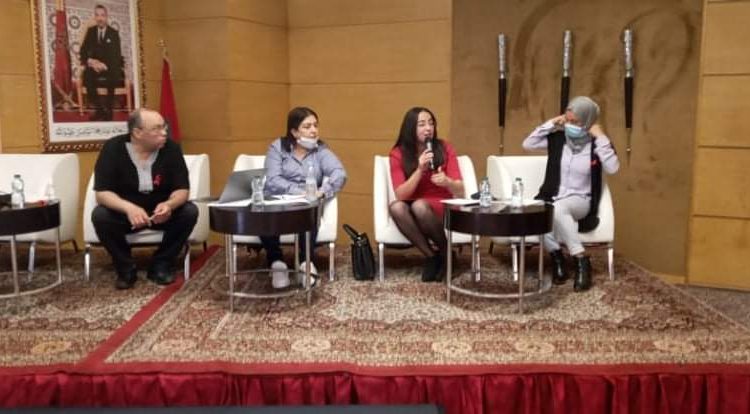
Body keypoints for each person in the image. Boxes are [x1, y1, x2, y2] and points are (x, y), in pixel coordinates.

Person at [92, 108, 198, 290]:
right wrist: (129, 208)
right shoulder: (113, 148)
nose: (164, 133)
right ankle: (125, 267)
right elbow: (102, 193)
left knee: (189, 211)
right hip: (126, 213)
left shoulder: (171, 149)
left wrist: (169, 205)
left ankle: (161, 263)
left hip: (161, 212)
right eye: (157, 129)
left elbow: (182, 189)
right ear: (137, 133)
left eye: (164, 127)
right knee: (101, 216)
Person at [522, 96, 620, 292]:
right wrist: (551, 123)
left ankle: (580, 258)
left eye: (575, 122)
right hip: (553, 195)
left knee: (556, 209)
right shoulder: (558, 139)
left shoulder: (597, 145)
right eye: (568, 120)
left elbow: (613, 167)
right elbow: (528, 144)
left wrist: (601, 136)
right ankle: (557, 259)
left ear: (588, 122)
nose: (570, 125)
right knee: (537, 214)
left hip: (580, 200)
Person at [261, 107, 347, 289]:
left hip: (306, 204)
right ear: (294, 132)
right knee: (263, 212)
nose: (313, 130)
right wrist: (301, 191)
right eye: (307, 126)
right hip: (278, 201)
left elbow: (339, 173)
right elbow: (273, 180)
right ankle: (277, 262)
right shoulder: (278, 147)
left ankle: (306, 262)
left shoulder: (320, 150)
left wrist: (322, 191)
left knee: (309, 210)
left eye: (315, 125)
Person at [388, 107, 465, 282]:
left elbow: (461, 190)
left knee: (419, 206)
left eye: (431, 123)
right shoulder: (398, 153)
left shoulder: (444, 148)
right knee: (396, 207)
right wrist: (419, 170)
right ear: (410, 128)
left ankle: (445, 254)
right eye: (421, 124)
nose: (428, 128)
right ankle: (432, 256)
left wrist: (447, 182)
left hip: (442, 204)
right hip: (413, 203)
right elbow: (400, 195)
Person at [79, 4, 123, 121]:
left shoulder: (113, 33)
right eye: (97, 15)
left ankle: (108, 111)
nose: (100, 18)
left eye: (102, 15)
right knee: (87, 75)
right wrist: (91, 62)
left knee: (113, 75)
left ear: (106, 17)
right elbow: (83, 51)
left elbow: (117, 55)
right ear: (95, 17)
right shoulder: (91, 31)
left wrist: (104, 65)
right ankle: (99, 110)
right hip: (94, 67)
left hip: (109, 67)